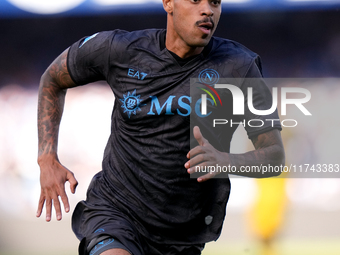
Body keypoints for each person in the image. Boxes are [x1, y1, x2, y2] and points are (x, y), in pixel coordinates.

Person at [36, 0, 285, 254]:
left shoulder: (240, 67)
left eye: (215, 2)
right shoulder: (120, 50)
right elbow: (53, 78)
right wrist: (47, 157)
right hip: (116, 212)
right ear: (168, 3)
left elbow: (274, 156)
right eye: (195, 0)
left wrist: (225, 161)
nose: (208, 10)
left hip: (182, 235)